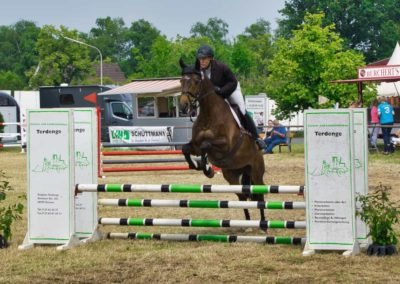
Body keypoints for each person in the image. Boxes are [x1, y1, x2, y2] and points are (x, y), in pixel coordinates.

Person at [195, 45, 265, 149]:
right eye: (200, 59)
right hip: (215, 93)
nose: (202, 61)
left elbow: (233, 82)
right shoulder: (198, 69)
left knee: (242, 110)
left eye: (204, 58)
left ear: (211, 58)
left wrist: (222, 92)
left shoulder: (221, 67)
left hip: (231, 88)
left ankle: (256, 138)